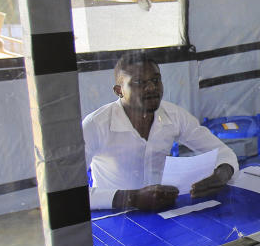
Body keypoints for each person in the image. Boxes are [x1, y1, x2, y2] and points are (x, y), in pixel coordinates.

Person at [82, 51, 238, 211]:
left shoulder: (174, 115)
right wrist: (131, 198)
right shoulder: (96, 125)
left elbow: (224, 153)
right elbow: (69, 194)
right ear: (119, 90)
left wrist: (221, 174)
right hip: (114, 216)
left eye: (156, 80)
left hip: (163, 212)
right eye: (138, 82)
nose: (151, 88)